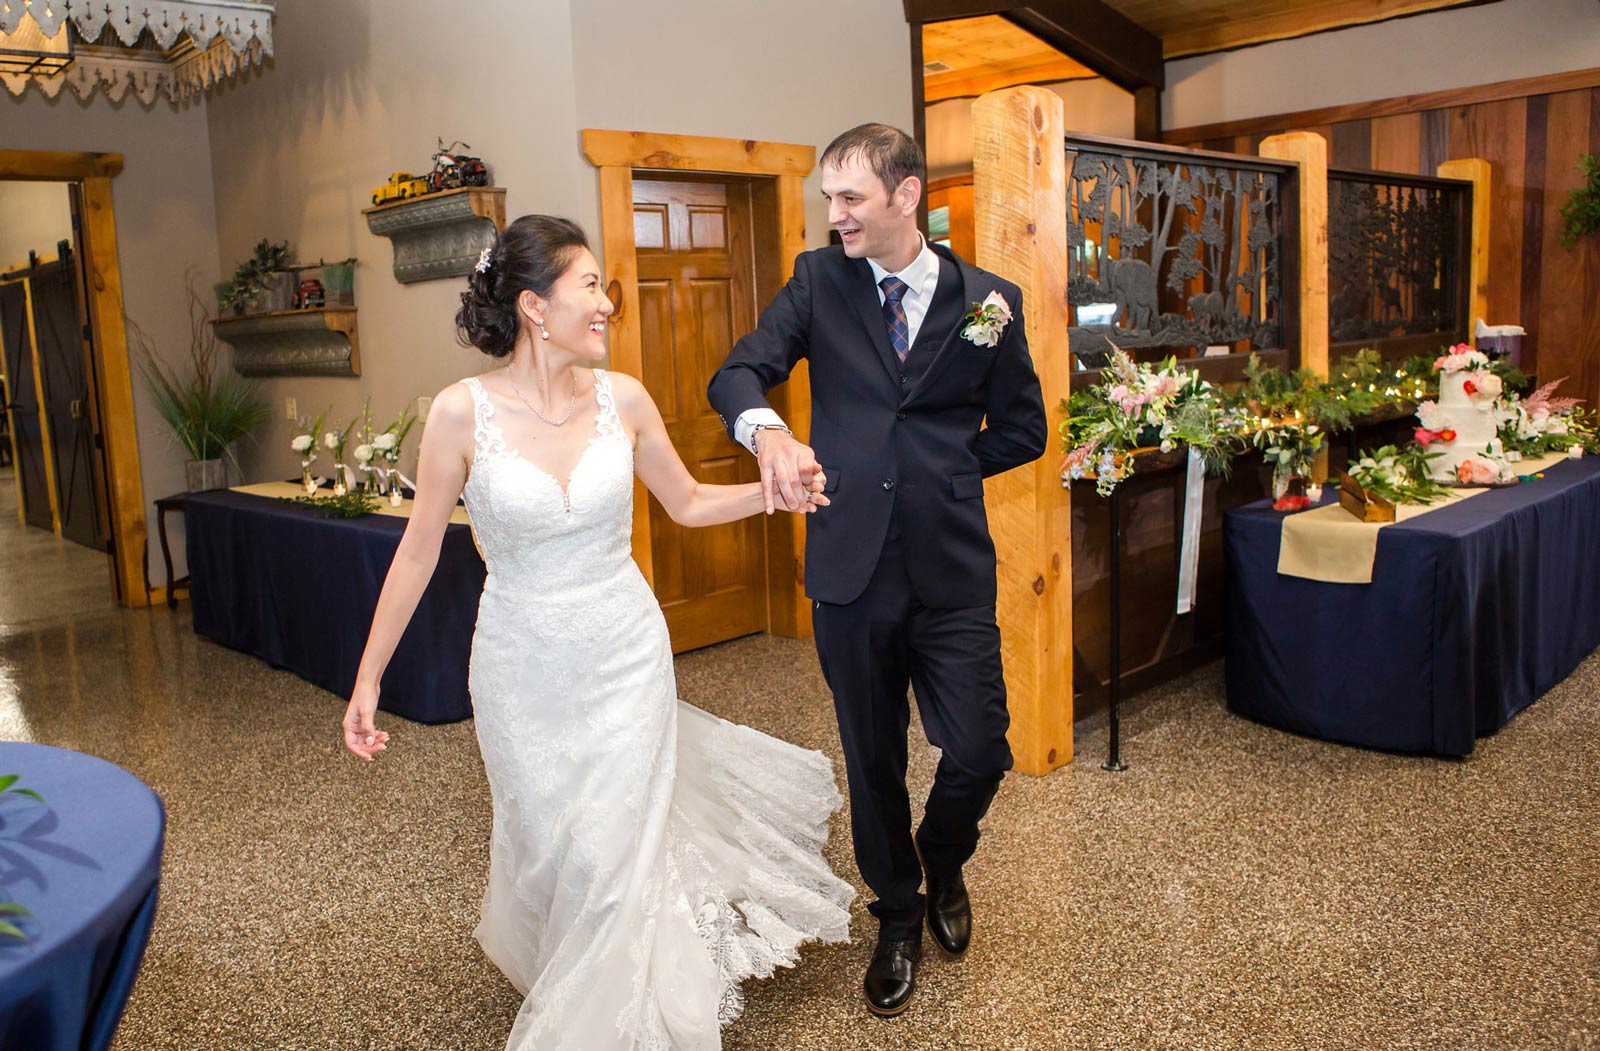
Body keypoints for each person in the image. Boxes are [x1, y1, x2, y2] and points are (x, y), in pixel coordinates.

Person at [341, 215, 855, 1050]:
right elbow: (417, 553)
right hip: (519, 669)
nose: (607, 302)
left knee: (616, 860)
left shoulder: (626, 398)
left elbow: (685, 503)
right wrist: (366, 681)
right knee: (560, 852)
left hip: (624, 656)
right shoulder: (458, 414)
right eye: (589, 285)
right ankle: (585, 973)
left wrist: (772, 495)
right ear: (535, 307)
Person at [707, 124, 1047, 1017]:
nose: (836, 214)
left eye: (851, 197)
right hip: (849, 568)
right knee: (873, 758)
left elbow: (1025, 428)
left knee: (979, 747)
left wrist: (950, 467)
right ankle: (897, 912)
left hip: (951, 567)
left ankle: (943, 859)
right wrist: (769, 430)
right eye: (829, 197)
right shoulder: (820, 283)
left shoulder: (991, 302)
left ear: (907, 196)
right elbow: (738, 372)